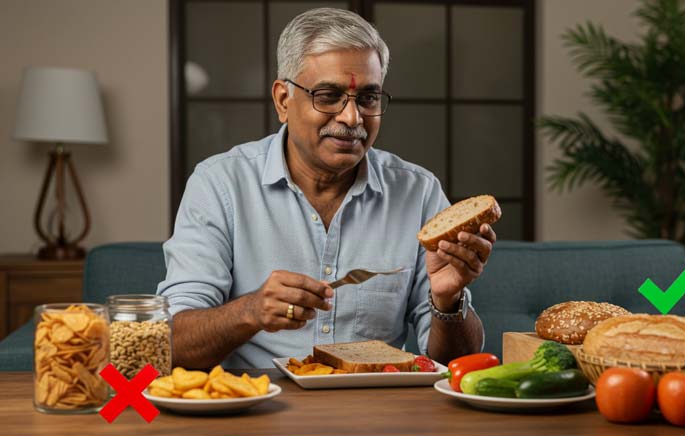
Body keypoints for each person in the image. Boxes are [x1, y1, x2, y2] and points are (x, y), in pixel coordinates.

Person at [157, 7, 496, 369]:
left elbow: (459, 365)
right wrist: (250, 311)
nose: (352, 118)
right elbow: (171, 345)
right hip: (256, 409)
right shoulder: (220, 184)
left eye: (367, 98)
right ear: (283, 101)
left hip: (377, 415)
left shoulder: (419, 192)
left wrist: (448, 300)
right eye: (328, 95)